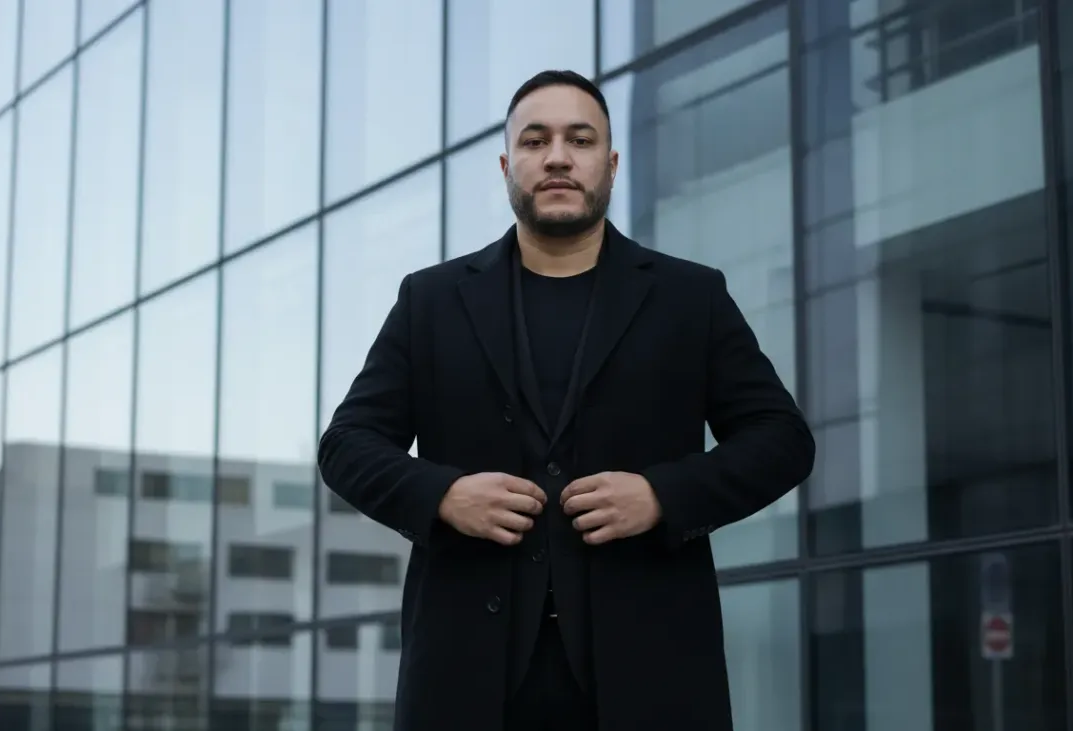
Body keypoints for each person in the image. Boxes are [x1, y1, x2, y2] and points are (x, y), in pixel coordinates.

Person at [317, 69, 815, 731]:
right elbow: (346, 445)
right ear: (507, 166)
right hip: (465, 680)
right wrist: (443, 496)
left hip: (653, 673)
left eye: (580, 140)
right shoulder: (429, 301)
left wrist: (662, 495)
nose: (557, 156)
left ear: (611, 164)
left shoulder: (690, 297)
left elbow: (782, 439)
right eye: (535, 140)